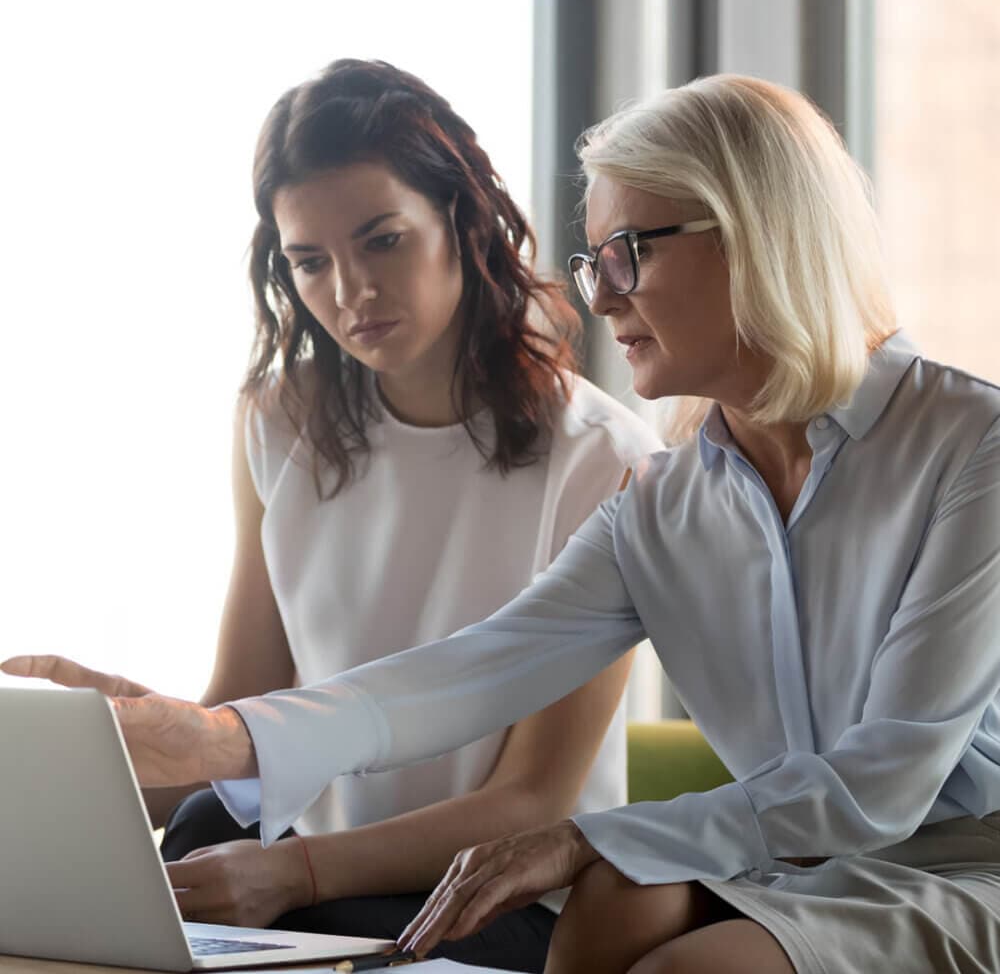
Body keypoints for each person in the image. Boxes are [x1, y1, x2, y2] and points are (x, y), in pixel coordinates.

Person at [11, 71, 1000, 974]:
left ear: (757, 232)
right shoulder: (663, 504)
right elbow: (463, 673)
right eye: (591, 258)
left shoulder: (970, 441)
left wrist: (581, 835)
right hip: (784, 856)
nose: (600, 292)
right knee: (616, 901)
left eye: (627, 254)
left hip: (960, 860)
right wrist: (208, 734)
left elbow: (883, 783)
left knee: (657, 937)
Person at [1, 59, 662, 973]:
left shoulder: (608, 460)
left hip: (488, 900)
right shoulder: (281, 419)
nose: (350, 291)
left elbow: (535, 801)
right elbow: (243, 716)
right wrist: (101, 754)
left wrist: (297, 873)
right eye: (309, 261)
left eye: (382, 241)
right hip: (300, 879)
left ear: (463, 223)